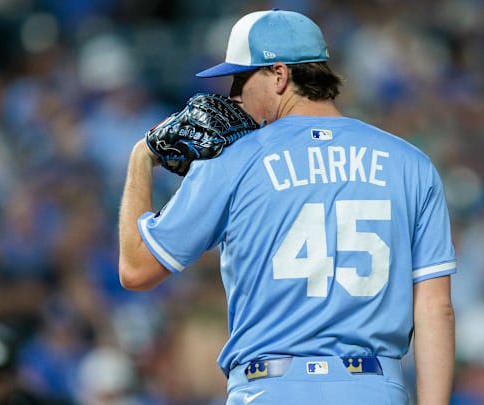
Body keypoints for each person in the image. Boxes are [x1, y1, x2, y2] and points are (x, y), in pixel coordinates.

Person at [118, 8, 456, 405]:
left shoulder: (234, 162)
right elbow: (435, 309)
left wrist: (142, 156)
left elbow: (136, 269)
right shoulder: (408, 162)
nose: (233, 97)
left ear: (279, 75)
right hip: (374, 388)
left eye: (241, 79)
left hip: (269, 388)